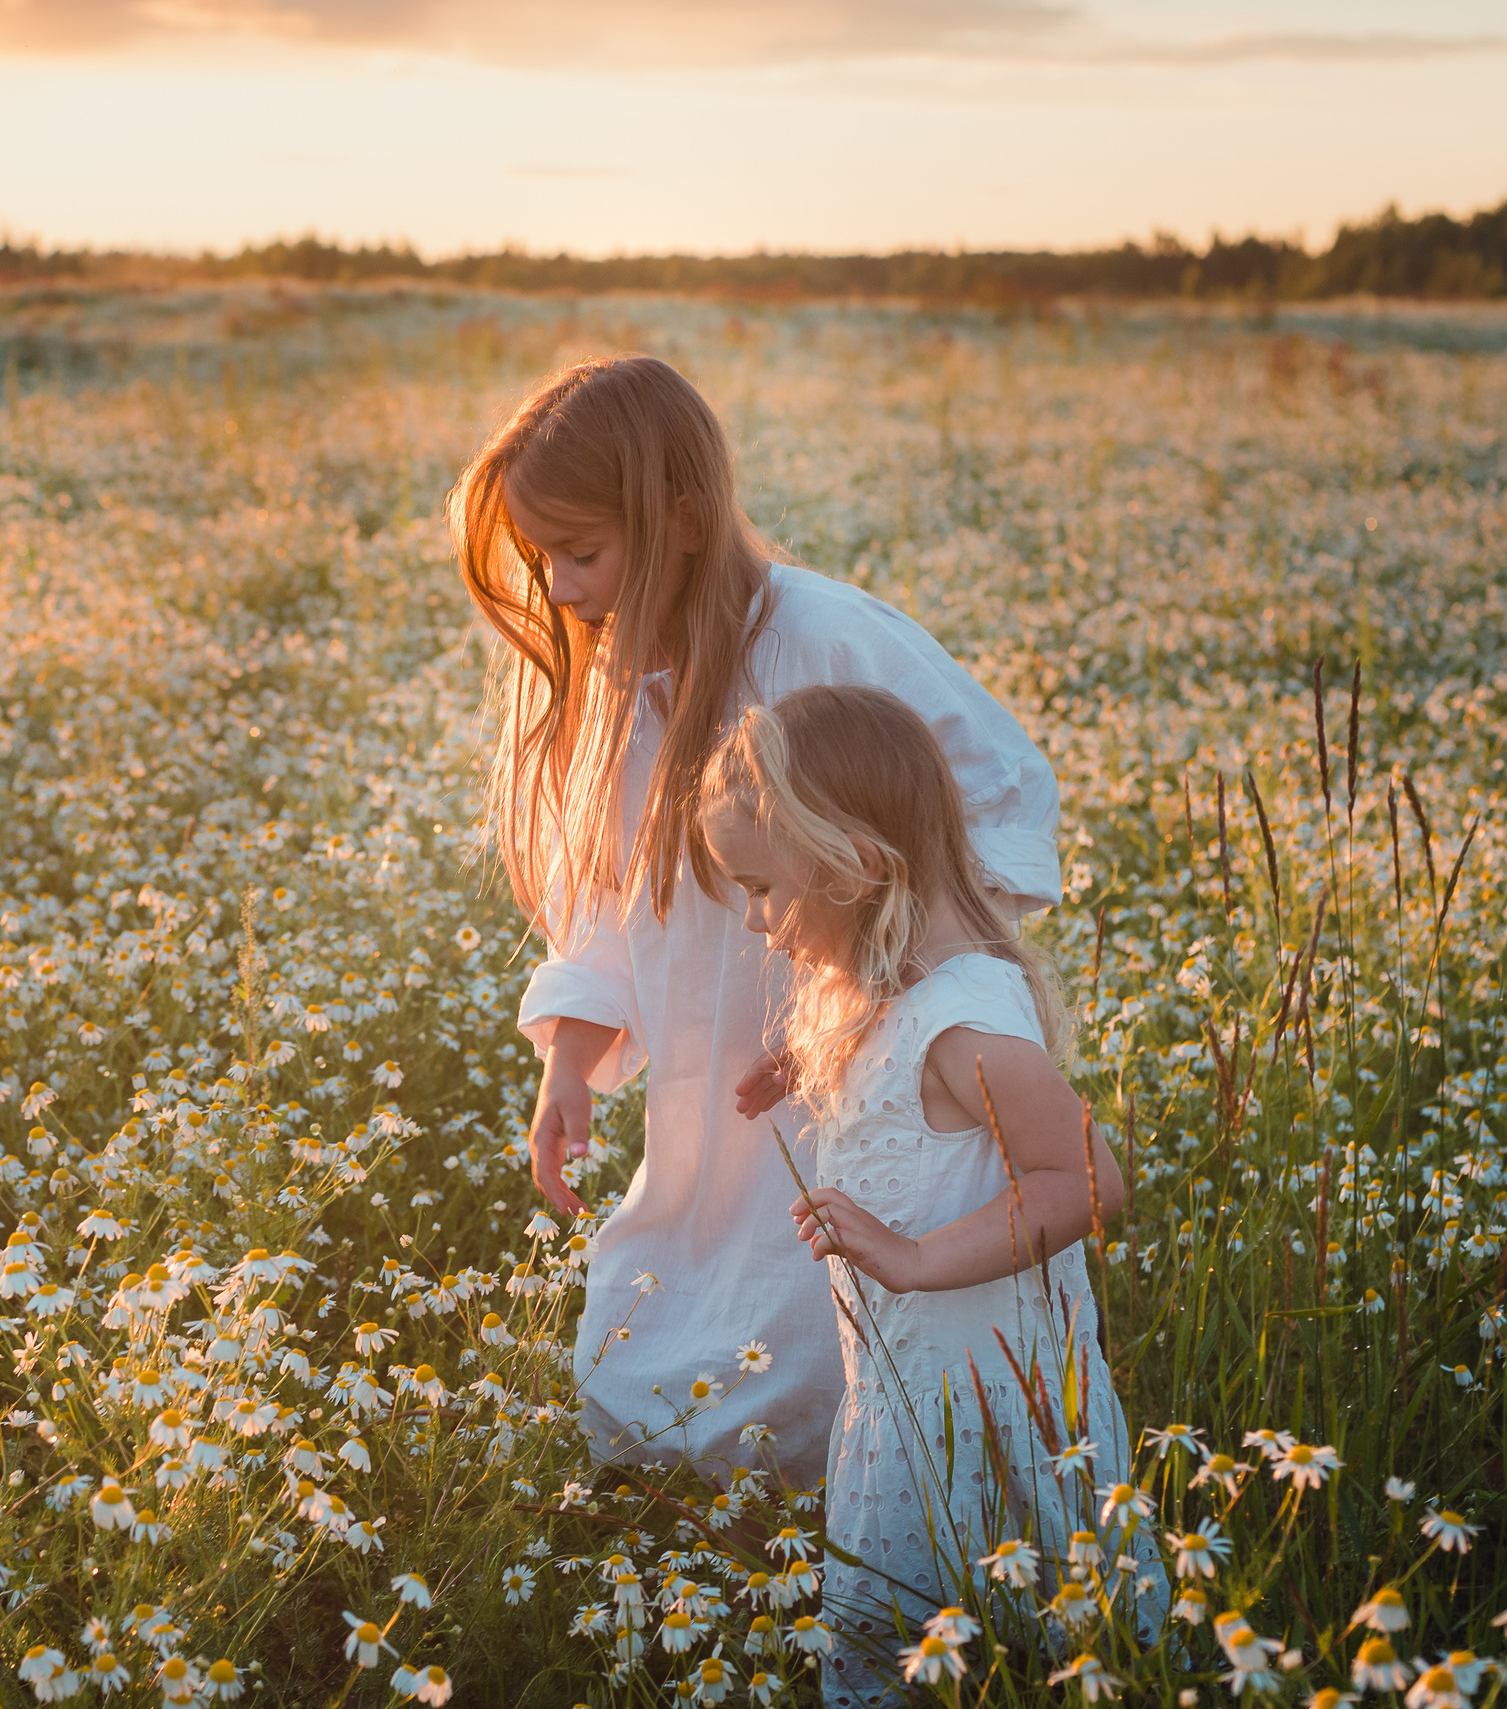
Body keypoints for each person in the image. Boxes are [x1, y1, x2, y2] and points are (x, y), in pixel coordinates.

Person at [450, 354, 1061, 1486]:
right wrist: (571, 1058)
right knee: (664, 1327)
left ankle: (835, 1512)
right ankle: (713, 1515)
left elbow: (998, 797)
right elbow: (612, 894)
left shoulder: (822, 638)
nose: (561, 587)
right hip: (707, 1086)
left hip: (859, 1073)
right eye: (542, 560)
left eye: (581, 551)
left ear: (680, 521)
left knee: (830, 1313)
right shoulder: (618, 678)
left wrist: (872, 995)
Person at [697, 684, 1143, 1703]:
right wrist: (814, 1056)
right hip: (910, 1384)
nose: (755, 921)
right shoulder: (893, 987)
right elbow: (912, 1076)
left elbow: (1085, 1178)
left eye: (761, 888)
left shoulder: (967, 1022)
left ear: (855, 864)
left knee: (1039, 1631)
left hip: (990, 1386)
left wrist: (911, 1256)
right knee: (932, 1626)